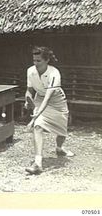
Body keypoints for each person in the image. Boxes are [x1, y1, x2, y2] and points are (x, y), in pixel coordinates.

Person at [24, 46, 74, 175]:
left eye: (38, 61)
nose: (35, 63)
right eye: (34, 60)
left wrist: (33, 118)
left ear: (47, 60)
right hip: (40, 98)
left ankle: (59, 148)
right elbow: (30, 90)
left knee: (62, 130)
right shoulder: (30, 71)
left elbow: (48, 98)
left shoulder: (54, 73)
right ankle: (38, 163)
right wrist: (27, 97)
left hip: (57, 101)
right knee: (38, 127)